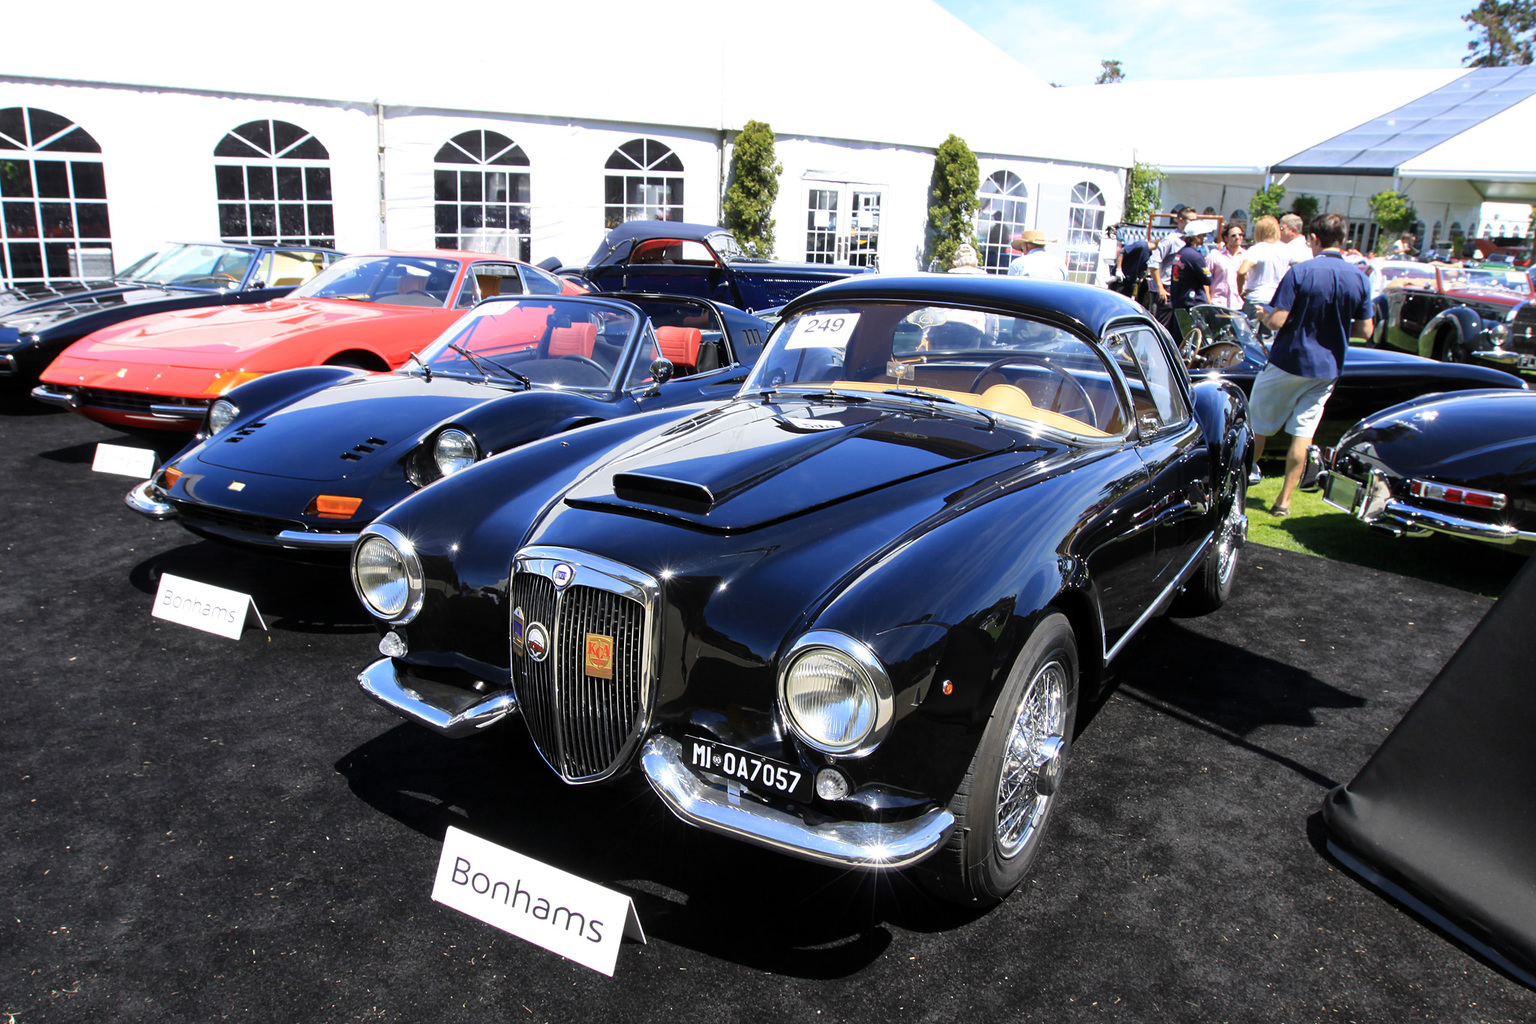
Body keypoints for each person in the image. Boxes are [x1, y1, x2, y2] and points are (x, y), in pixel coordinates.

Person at [1251, 212, 1373, 516]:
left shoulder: (1301, 272)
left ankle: (1240, 482)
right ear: (1342, 239)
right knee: (1302, 434)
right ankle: (1284, 500)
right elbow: (1365, 331)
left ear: (1314, 239)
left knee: (1257, 427)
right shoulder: (1359, 277)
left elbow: (1277, 320)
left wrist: (1262, 316)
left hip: (1289, 360)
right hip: (1328, 367)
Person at [1237, 215, 1288, 327]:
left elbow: (1242, 271)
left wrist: (1241, 290)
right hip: (1276, 299)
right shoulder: (1285, 249)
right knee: (1269, 338)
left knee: (1250, 338)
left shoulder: (1257, 249)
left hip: (1256, 297)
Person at [1168, 219, 1214, 312]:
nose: (1205, 238)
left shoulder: (1180, 253)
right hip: (1192, 303)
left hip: (1179, 301)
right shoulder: (1195, 256)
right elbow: (1208, 279)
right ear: (1196, 237)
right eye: (1203, 235)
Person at [1207, 222, 1246, 309]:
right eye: (1233, 235)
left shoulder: (1247, 256)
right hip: (1219, 303)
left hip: (1240, 305)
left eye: (1240, 235)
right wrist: (1208, 300)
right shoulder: (1215, 255)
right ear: (1226, 238)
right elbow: (1206, 280)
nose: (1238, 237)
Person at [1112, 224, 1150, 303]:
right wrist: (1119, 269)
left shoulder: (1150, 254)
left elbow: (1143, 267)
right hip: (1121, 278)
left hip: (1131, 281)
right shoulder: (1141, 245)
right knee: (1115, 301)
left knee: (1126, 303)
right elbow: (1122, 252)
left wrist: (1141, 277)